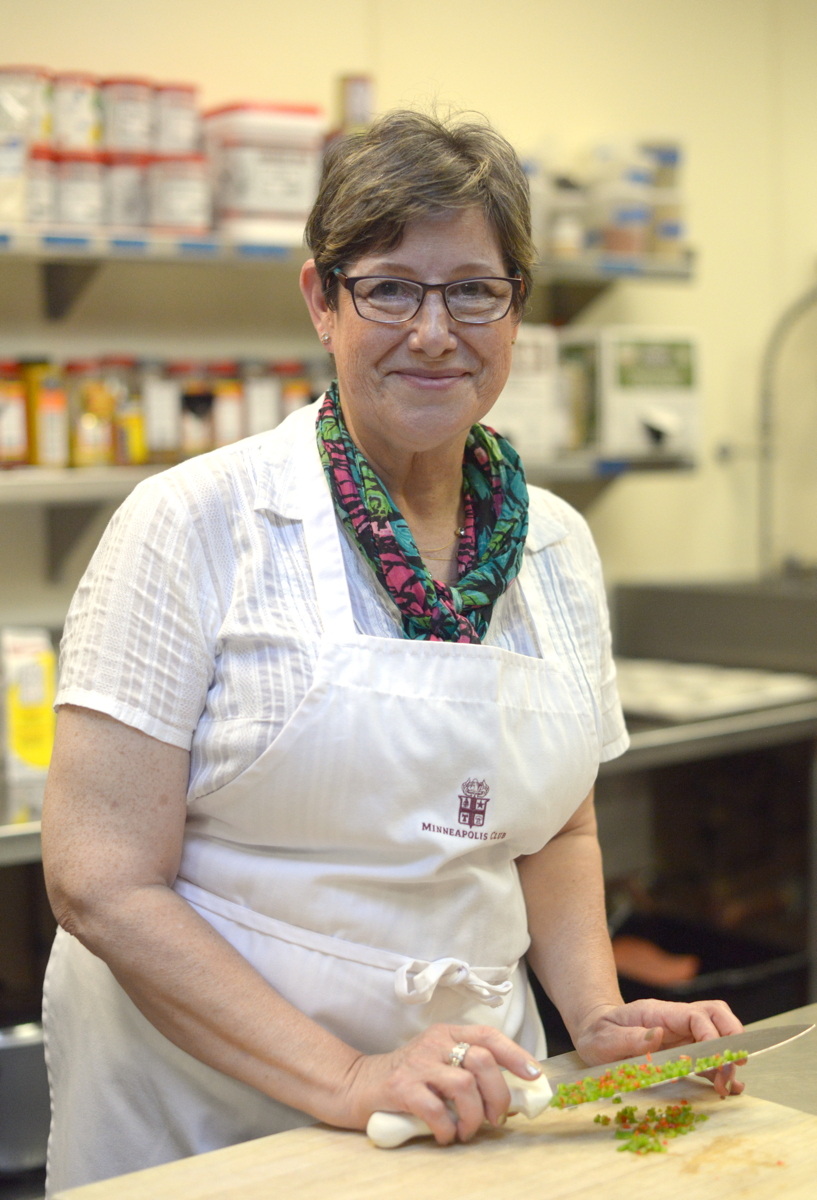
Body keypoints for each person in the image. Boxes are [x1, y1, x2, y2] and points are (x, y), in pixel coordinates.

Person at [41, 110, 743, 1194]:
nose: (434, 332)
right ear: (321, 301)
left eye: (473, 291)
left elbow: (556, 828)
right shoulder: (195, 523)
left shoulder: (553, 544)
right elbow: (100, 882)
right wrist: (347, 1076)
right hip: (214, 1122)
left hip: (473, 1105)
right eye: (389, 289)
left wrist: (595, 1013)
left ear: (516, 308)